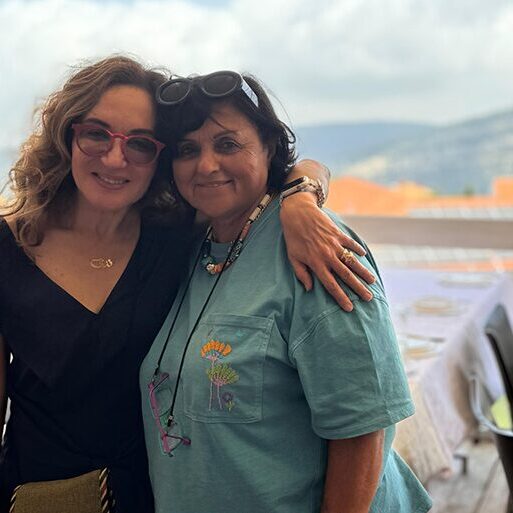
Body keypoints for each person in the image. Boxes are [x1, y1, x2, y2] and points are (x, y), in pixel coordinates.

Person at [0, 56, 374, 512]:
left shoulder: (177, 236)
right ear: (67, 136)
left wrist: (300, 196)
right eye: (97, 134)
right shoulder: (9, 246)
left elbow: (279, 173)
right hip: (46, 498)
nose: (116, 157)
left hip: (163, 493)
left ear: (158, 157)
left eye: (140, 144)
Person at [140, 71, 433, 513]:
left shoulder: (316, 248)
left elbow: (361, 427)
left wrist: (300, 195)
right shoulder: (194, 246)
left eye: (227, 144)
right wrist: (305, 186)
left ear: (270, 147)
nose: (205, 165)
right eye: (187, 150)